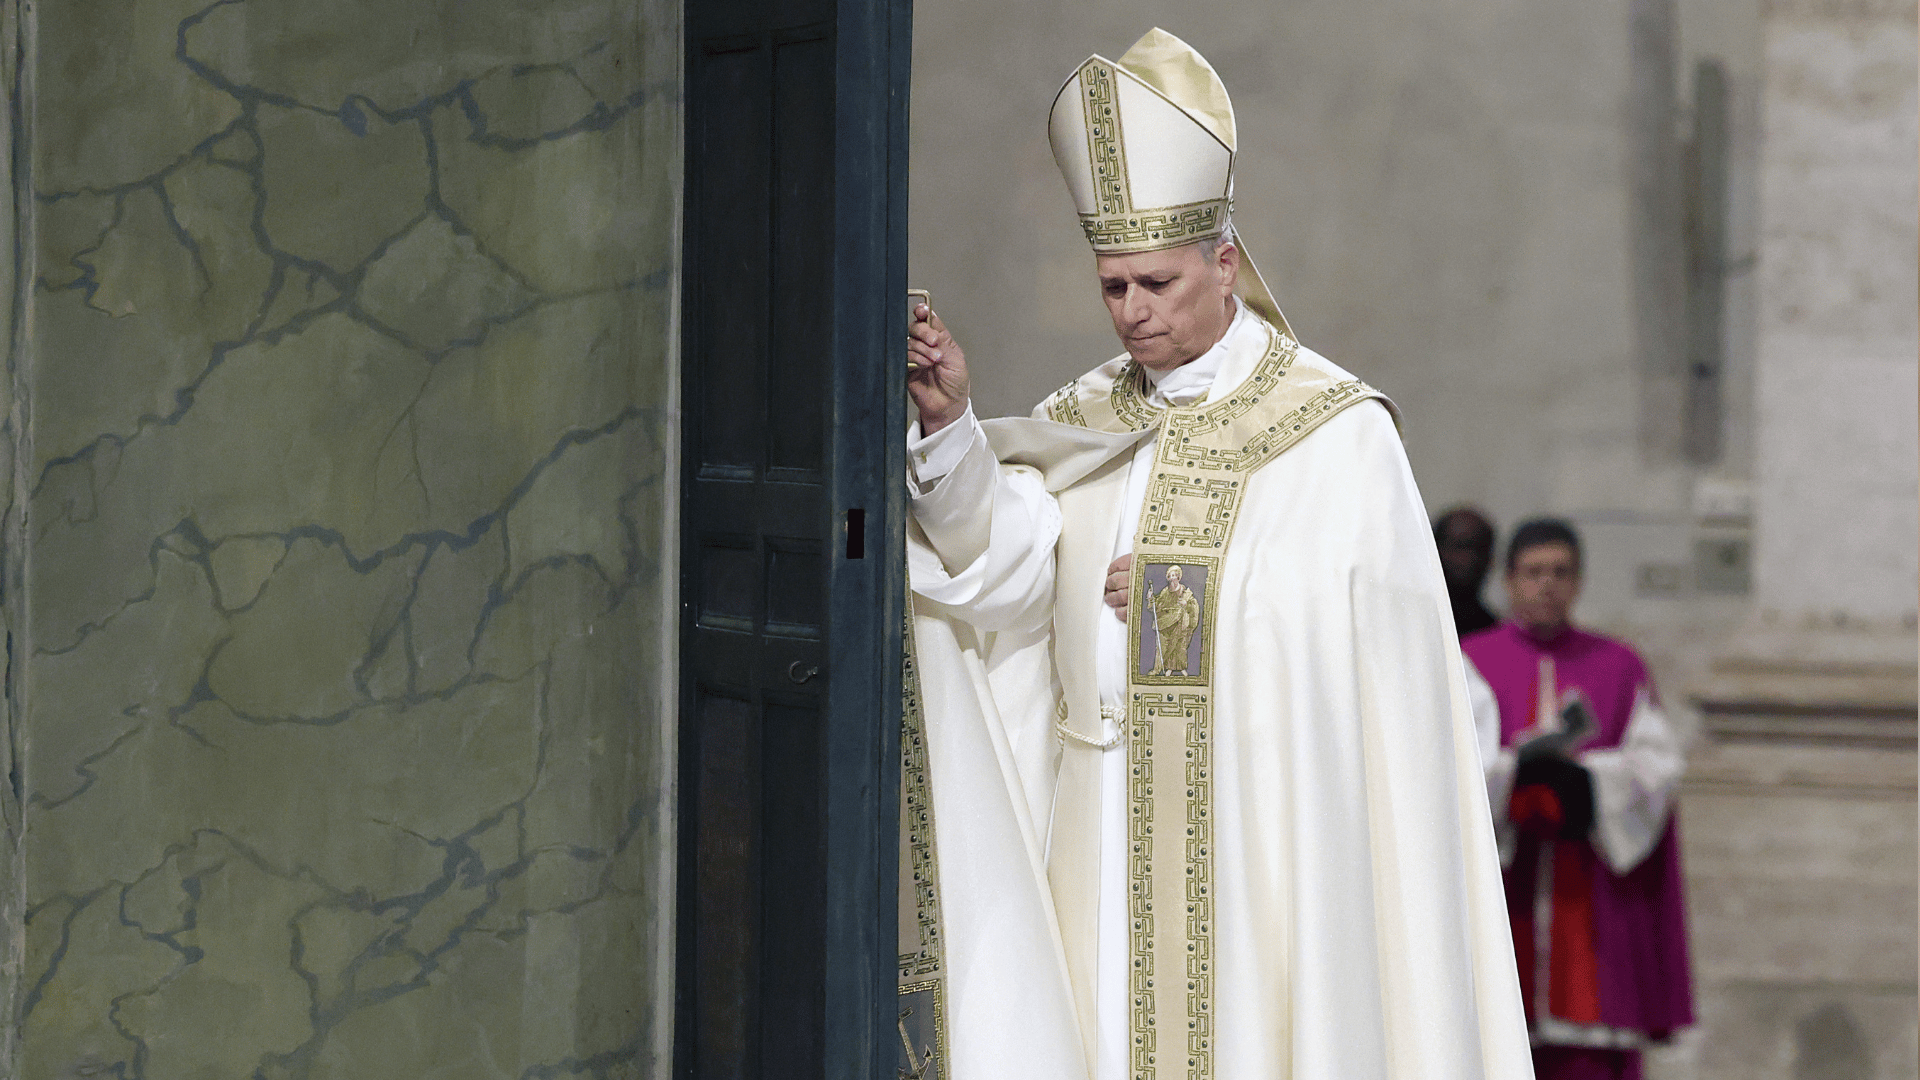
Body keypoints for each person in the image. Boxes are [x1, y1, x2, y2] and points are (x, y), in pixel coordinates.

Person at [897, 27, 1531, 1080]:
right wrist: (954, 428)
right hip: (1095, 830)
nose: (1134, 314)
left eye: (1156, 283)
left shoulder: (1334, 430)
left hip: (1255, 840)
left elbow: (1372, 649)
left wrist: (1193, 595)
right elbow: (999, 575)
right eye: (1114, 288)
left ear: (1225, 262)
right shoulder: (1083, 416)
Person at [1460, 519, 1694, 1080]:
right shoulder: (1469, 659)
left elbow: (1656, 768)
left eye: (1561, 572)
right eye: (1534, 572)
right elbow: (1445, 768)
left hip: (1590, 903)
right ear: (1509, 581)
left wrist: (1588, 782)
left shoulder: (1618, 665)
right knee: (1492, 1039)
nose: (1548, 585)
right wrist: (1516, 771)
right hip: (1503, 888)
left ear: (1580, 581)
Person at [1435, 506, 1500, 636]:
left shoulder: (1491, 631)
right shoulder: (1410, 618)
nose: (1468, 559)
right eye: (1459, 547)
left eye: (1479, 549)